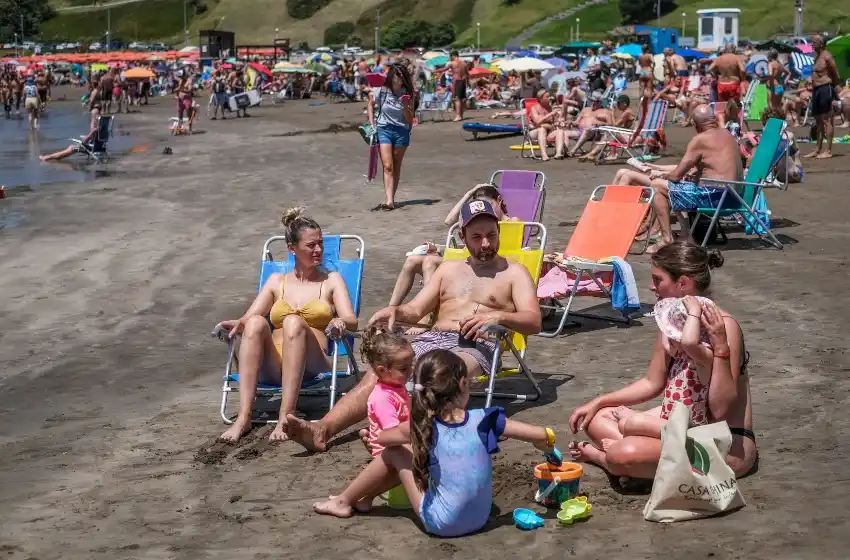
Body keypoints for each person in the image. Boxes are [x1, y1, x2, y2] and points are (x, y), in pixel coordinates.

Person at [286, 200, 542, 452]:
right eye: (477, 237)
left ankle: (404, 435)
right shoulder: (447, 270)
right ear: (463, 236)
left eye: (491, 235)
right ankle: (322, 429)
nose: (485, 243)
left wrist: (498, 317)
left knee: (438, 372)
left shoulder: (514, 273)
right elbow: (416, 310)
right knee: (380, 372)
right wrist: (395, 311)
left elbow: (534, 321)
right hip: (433, 337)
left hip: (476, 344)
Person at [313, 349, 555, 537]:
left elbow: (383, 438)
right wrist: (546, 447)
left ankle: (344, 500)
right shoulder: (486, 419)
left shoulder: (423, 425)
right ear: (462, 384)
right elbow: (542, 434)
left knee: (397, 453)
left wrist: (387, 437)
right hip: (480, 519)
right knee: (414, 454)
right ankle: (364, 499)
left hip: (441, 523)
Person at [568, 242, 758, 480]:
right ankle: (641, 465)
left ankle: (614, 461)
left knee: (625, 452)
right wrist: (598, 402)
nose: (651, 287)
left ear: (683, 283)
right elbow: (652, 382)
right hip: (680, 427)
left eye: (658, 280)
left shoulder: (722, 327)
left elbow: (720, 410)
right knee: (597, 417)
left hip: (725, 441)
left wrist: (718, 349)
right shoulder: (672, 319)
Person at [214, 208, 358, 442]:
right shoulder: (276, 282)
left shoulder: (331, 280)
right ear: (292, 248)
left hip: (313, 362)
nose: (319, 250)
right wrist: (232, 324)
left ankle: (285, 415)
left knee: (292, 321)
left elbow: (352, 320)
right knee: (256, 324)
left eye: (320, 244)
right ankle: (244, 417)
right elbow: (247, 320)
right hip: (274, 365)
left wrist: (340, 320)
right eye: (311, 245)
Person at [611, 105, 741, 252]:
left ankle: (667, 238)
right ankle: (685, 234)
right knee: (673, 188)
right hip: (734, 197)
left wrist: (660, 174)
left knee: (658, 186)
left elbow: (676, 176)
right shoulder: (727, 134)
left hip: (714, 197)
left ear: (694, 124)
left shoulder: (700, 139)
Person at [387, 184, 516, 316]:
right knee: (412, 260)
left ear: (499, 201)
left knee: (429, 262)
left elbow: (496, 252)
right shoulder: (474, 224)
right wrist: (469, 194)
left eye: (487, 204)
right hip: (464, 261)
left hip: (485, 265)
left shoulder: (513, 223)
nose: (482, 208)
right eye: (478, 204)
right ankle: (391, 311)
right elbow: (449, 222)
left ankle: (428, 315)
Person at [354, 326, 413, 457]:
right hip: (392, 454)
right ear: (382, 370)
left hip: (402, 444)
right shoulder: (383, 398)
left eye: (411, 364)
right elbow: (394, 434)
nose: (410, 371)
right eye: (404, 368)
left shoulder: (397, 386)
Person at [368, 63, 415, 211]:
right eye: (397, 75)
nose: (399, 78)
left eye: (402, 76)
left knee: (396, 164)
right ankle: (389, 201)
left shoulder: (408, 93)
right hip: (384, 128)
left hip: (402, 130)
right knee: (388, 165)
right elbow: (370, 104)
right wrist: (371, 123)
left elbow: (409, 119)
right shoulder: (382, 91)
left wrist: (406, 105)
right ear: (392, 76)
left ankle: (391, 198)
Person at [805, 35, 841, 159]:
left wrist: (836, 88)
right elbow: (817, 74)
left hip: (826, 88)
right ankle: (817, 149)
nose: (811, 44)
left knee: (827, 120)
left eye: (814, 42)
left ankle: (828, 150)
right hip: (816, 90)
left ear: (821, 44)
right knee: (818, 120)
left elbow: (836, 74)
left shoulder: (827, 56)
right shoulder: (816, 57)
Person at [577, 94, 635, 162]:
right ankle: (592, 153)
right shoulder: (627, 111)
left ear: (624, 104)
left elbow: (615, 125)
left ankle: (609, 154)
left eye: (619, 103)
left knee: (610, 133)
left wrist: (612, 113)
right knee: (608, 133)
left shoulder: (627, 112)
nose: (617, 105)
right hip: (628, 134)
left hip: (631, 138)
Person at [566, 92, 613, 157]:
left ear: (599, 102)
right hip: (580, 131)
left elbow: (611, 126)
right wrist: (571, 122)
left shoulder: (605, 111)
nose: (592, 103)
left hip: (595, 133)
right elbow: (576, 122)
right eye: (591, 101)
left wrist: (601, 123)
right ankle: (563, 152)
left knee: (587, 130)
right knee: (563, 133)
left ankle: (573, 151)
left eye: (594, 101)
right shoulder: (585, 109)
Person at [528, 89, 567, 161]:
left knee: (560, 131)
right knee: (541, 129)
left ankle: (558, 153)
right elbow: (537, 122)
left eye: (549, 96)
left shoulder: (550, 108)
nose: (549, 98)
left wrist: (559, 122)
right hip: (534, 132)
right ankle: (544, 154)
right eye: (547, 97)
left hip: (548, 132)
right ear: (540, 98)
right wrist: (551, 114)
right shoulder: (534, 108)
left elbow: (554, 123)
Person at [435, 50, 468, 122]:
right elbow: (467, 74)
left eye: (450, 56)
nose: (450, 58)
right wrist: (467, 83)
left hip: (457, 82)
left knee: (457, 99)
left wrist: (435, 70)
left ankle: (458, 116)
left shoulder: (452, 63)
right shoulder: (464, 63)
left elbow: (444, 69)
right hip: (463, 81)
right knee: (462, 99)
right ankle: (461, 115)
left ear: (453, 56)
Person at [765, 48, 787, 116]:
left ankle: (772, 124)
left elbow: (770, 74)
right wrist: (785, 81)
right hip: (780, 87)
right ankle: (780, 122)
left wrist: (771, 83)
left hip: (773, 87)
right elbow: (788, 73)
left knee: (771, 106)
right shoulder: (780, 64)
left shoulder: (771, 64)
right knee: (778, 106)